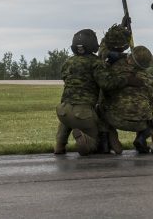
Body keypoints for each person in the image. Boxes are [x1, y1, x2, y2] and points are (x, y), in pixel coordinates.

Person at [55, 28, 137, 156]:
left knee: (66, 121)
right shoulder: (96, 63)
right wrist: (126, 79)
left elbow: (65, 77)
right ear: (92, 45)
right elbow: (107, 84)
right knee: (95, 140)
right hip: (83, 113)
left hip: (62, 110)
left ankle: (59, 145)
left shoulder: (68, 62)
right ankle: (85, 143)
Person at [101, 45, 153, 153]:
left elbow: (105, 94)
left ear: (130, 59)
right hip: (140, 123)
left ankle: (105, 143)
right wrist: (141, 113)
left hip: (114, 119)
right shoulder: (150, 80)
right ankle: (141, 138)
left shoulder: (116, 74)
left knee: (100, 110)